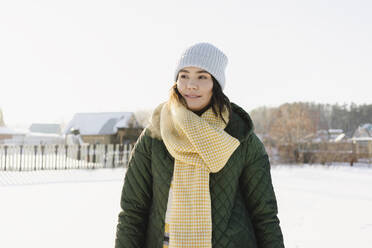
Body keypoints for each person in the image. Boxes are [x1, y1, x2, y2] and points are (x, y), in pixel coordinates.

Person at [115, 42, 285, 248]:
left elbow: (264, 215)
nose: (191, 85)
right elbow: (133, 212)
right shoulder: (155, 135)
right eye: (184, 75)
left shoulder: (241, 138)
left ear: (216, 83)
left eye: (202, 77)